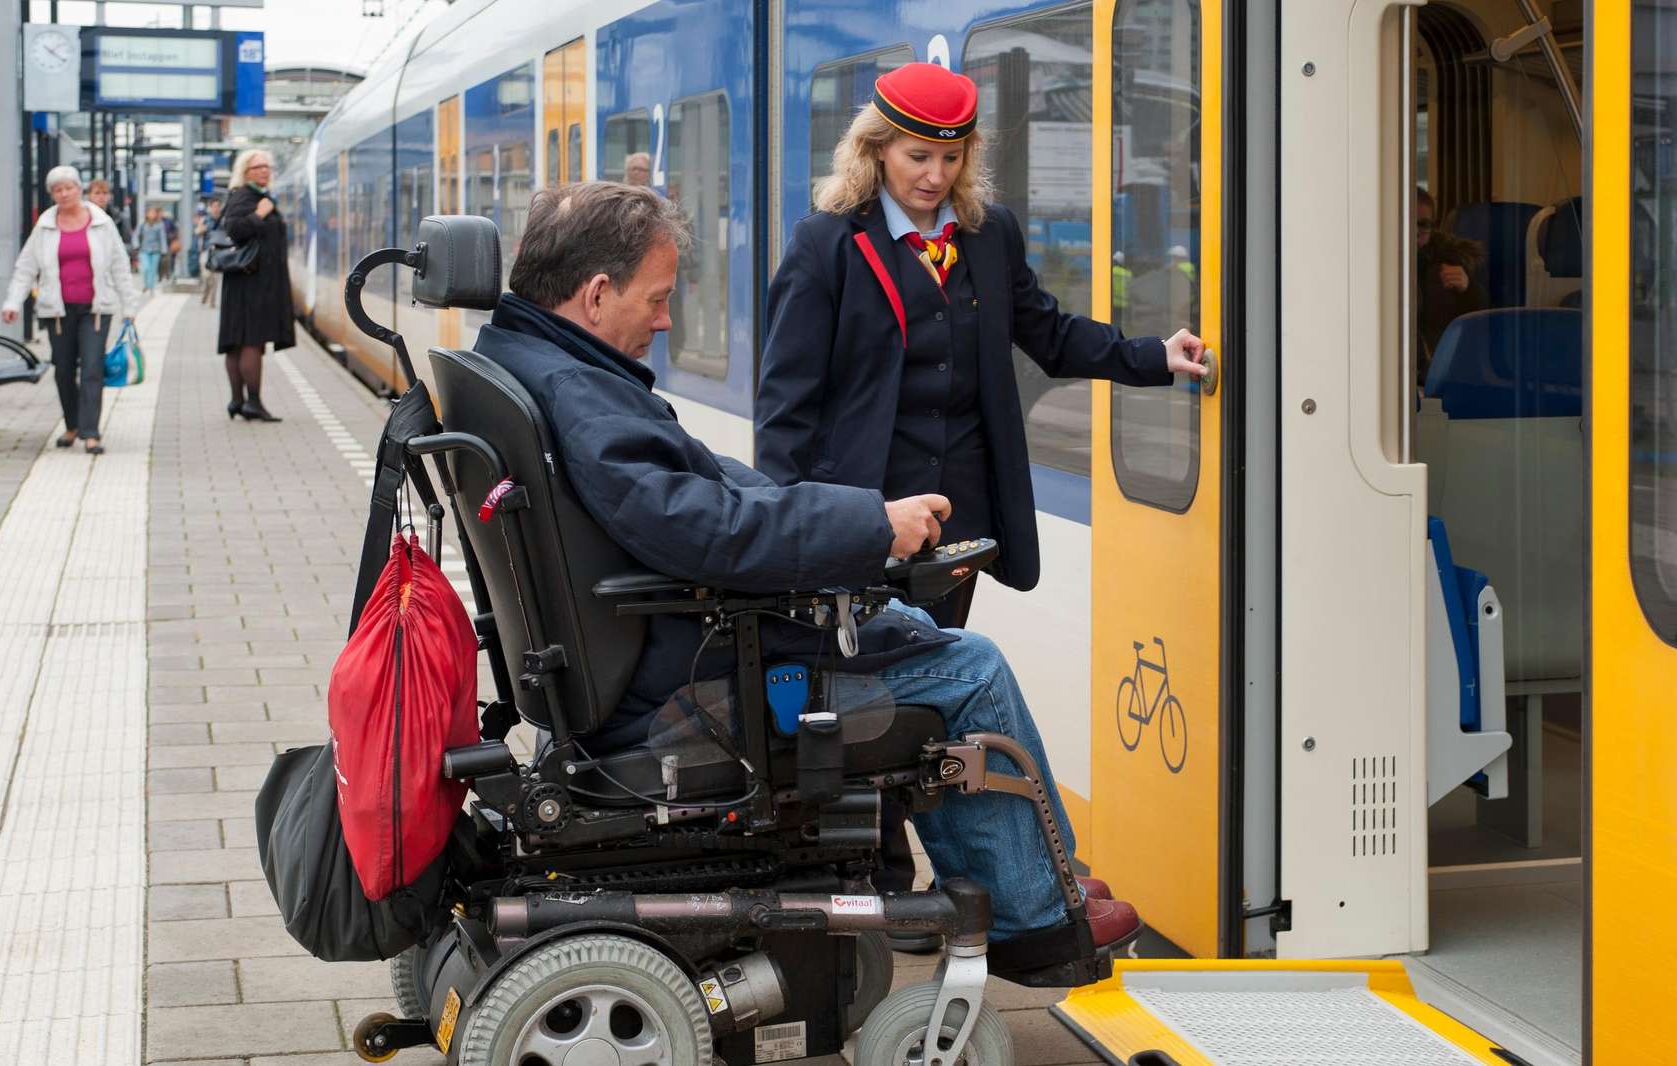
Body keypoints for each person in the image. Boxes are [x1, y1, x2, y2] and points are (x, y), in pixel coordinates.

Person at [469, 180, 1137, 957]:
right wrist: (868, 523)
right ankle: (1035, 920)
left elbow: (693, 481)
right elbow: (696, 527)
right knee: (971, 669)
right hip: (678, 681)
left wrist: (841, 515)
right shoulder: (580, 393)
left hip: (643, 653)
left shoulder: (536, 361)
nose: (665, 318)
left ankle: (1022, 871)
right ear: (594, 294)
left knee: (914, 629)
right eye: (657, 299)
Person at [756, 62, 1208, 631]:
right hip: (868, 509)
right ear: (876, 149)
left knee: (939, 664)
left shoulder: (989, 234)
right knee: (864, 684)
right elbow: (785, 399)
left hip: (959, 515)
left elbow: (1050, 333)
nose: (936, 175)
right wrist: (783, 528)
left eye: (952, 157)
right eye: (917, 157)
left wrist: (1151, 355)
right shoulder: (826, 243)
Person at [0, 165, 142, 457]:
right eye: (57, 189)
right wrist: (13, 301)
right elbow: (26, 267)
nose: (64, 194)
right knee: (64, 370)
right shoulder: (45, 226)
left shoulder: (101, 223)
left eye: (69, 188)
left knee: (91, 368)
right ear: (53, 194)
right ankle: (72, 425)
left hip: (96, 309)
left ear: (79, 189)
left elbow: (119, 265)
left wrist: (130, 306)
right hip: (57, 312)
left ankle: (90, 432)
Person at [217, 150, 295, 422]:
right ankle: (253, 402)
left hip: (247, 282)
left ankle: (238, 401)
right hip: (251, 283)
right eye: (258, 167)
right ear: (245, 171)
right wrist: (259, 215)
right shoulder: (245, 197)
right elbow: (235, 230)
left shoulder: (251, 196)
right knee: (251, 342)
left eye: (267, 166)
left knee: (238, 343)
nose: (264, 171)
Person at [1415, 186, 1488, 378]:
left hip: (1440, 368)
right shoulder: (1375, 267)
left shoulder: (1448, 261)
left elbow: (1481, 324)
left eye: (1423, 225)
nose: (1415, 232)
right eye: (1406, 222)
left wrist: (1468, 289)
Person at [84, 180, 132, 259]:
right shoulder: (80, 217)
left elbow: (127, 244)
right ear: (89, 195)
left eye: (105, 193)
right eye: (97, 193)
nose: (101, 196)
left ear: (109, 195)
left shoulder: (119, 217)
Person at [197, 199, 224, 308]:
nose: (216, 208)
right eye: (214, 206)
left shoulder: (223, 220)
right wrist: (201, 229)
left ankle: (212, 302)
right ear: (210, 207)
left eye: (218, 206)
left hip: (218, 251)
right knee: (207, 276)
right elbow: (197, 231)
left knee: (215, 278)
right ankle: (205, 294)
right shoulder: (205, 219)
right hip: (206, 250)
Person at [138, 205, 167, 293]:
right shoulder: (142, 224)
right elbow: (136, 235)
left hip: (155, 250)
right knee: (146, 268)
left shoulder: (160, 224)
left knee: (153, 269)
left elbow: (162, 237)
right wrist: (136, 245)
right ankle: (146, 285)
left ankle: (151, 287)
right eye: (150, 212)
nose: (152, 214)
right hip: (144, 249)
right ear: (146, 214)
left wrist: (164, 250)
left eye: (154, 213)